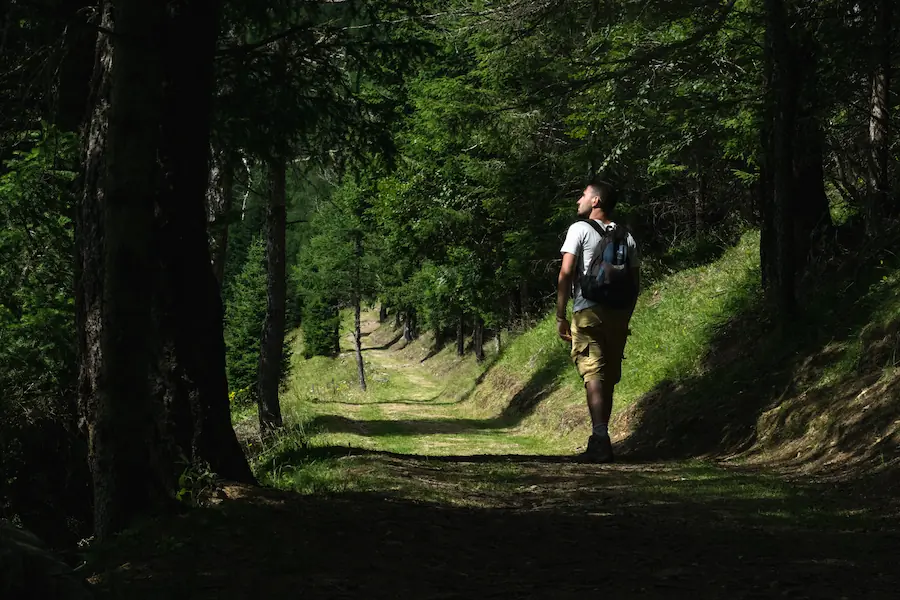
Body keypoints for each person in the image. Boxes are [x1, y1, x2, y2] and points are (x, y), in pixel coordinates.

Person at [556, 180, 640, 463]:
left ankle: (600, 437)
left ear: (595, 201)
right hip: (617, 312)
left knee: (593, 373)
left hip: (588, 311)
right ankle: (601, 438)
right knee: (609, 378)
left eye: (583, 194)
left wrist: (560, 314)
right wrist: (626, 314)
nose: (578, 199)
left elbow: (566, 273)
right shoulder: (626, 236)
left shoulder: (578, 229)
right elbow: (635, 281)